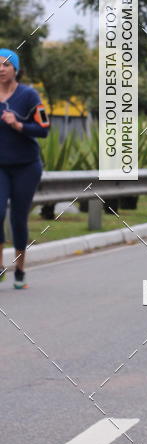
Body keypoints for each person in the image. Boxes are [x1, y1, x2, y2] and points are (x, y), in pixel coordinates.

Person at [0, 49, 50, 289]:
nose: (1, 69)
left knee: (18, 218)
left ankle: (19, 269)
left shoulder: (29, 95)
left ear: (16, 69)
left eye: (6, 65)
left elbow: (44, 128)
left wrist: (18, 124)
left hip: (26, 166)